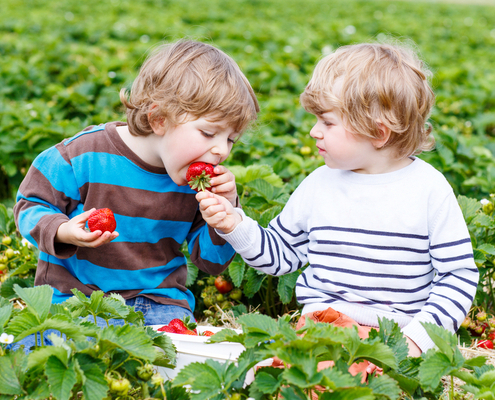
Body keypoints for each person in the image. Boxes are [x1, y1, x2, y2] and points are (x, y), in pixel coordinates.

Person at [196, 42, 479, 366]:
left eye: (327, 123)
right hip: (322, 329)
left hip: (395, 341)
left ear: (378, 132)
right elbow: (280, 256)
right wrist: (235, 225)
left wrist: (416, 341)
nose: (315, 132)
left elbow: (457, 275)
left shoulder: (429, 190)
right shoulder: (319, 184)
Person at [13, 39, 259, 333]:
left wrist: (226, 215)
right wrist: (63, 231)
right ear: (158, 119)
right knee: (41, 347)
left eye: (230, 139)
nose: (221, 151)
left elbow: (210, 262)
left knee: (175, 364)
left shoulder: (199, 186)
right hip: (76, 300)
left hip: (160, 303)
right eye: (209, 133)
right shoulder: (83, 156)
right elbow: (30, 204)